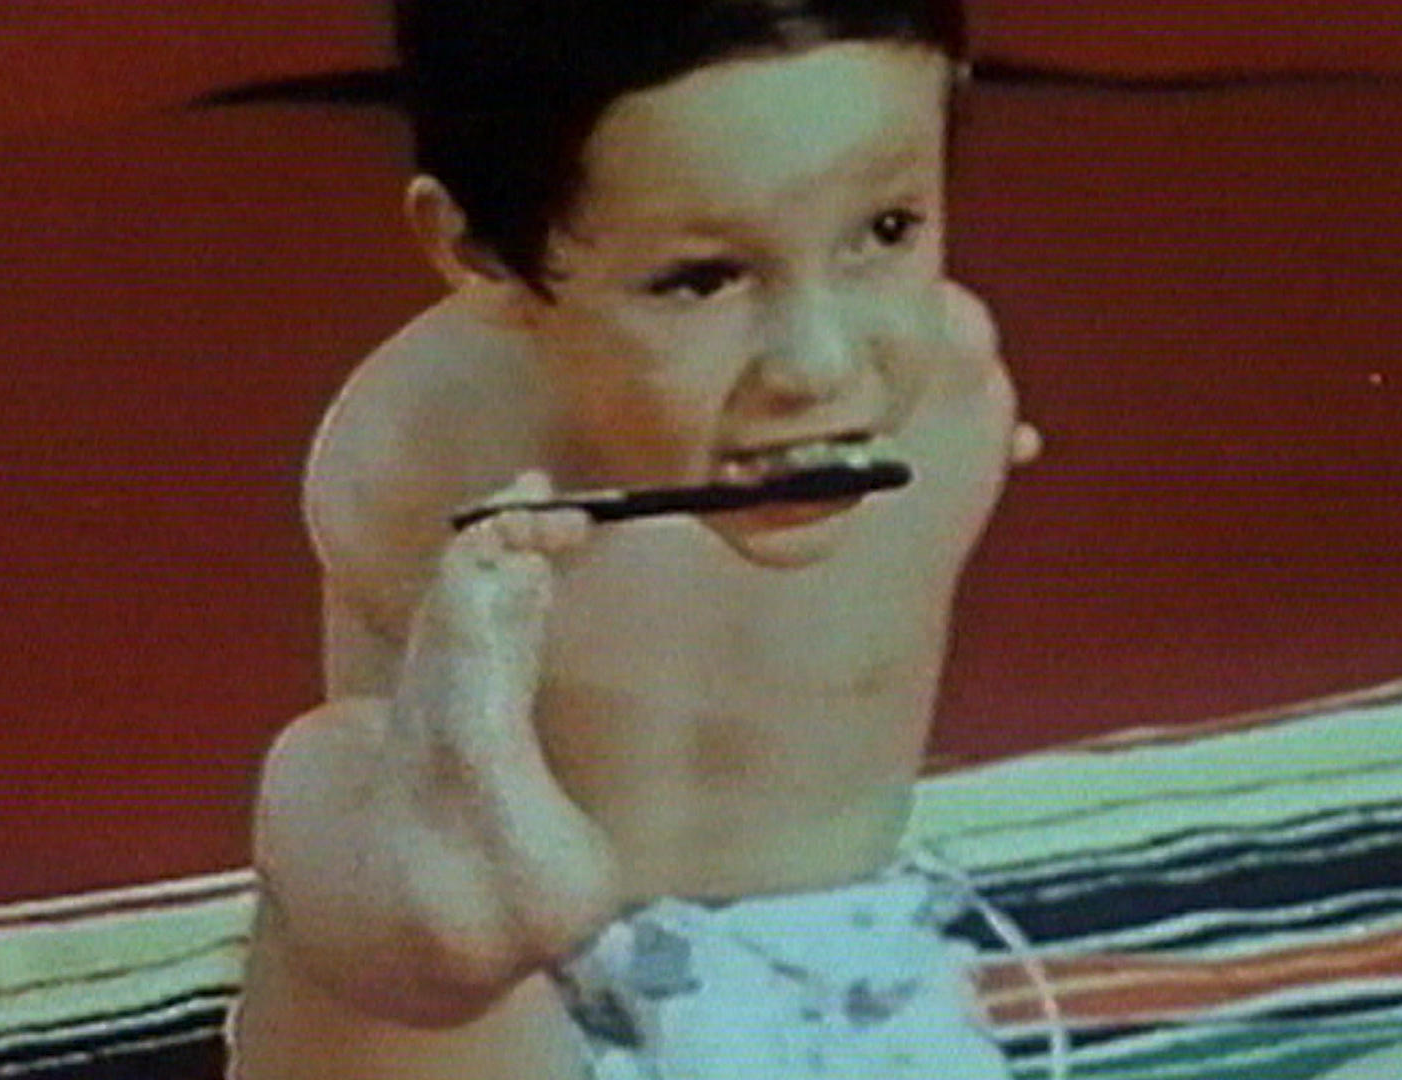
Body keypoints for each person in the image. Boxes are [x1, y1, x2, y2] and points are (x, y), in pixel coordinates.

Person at [231, 1, 1045, 1077]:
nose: (819, 364)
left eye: (886, 231)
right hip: (504, 981)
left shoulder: (955, 394)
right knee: (342, 809)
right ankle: (460, 855)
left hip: (839, 980)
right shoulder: (425, 447)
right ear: (478, 252)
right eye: (701, 279)